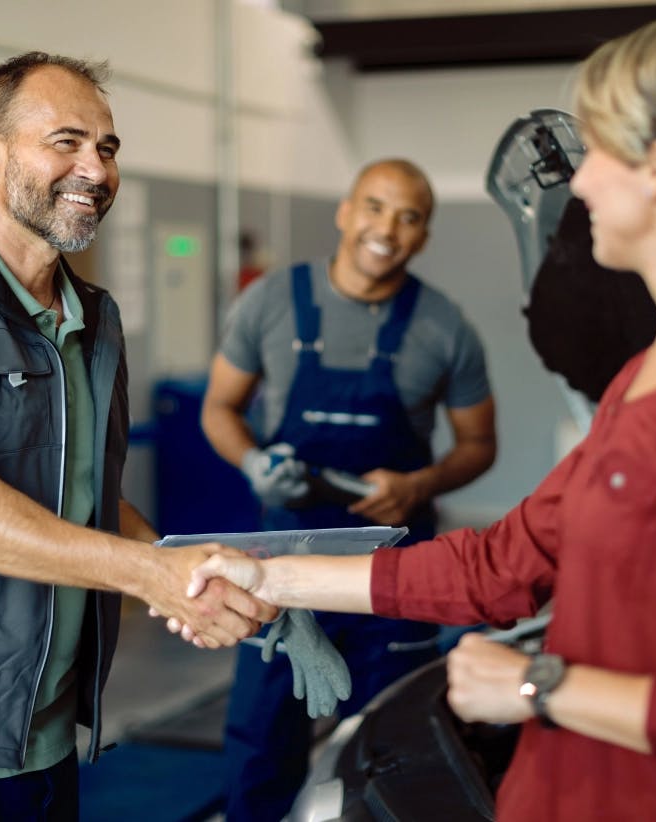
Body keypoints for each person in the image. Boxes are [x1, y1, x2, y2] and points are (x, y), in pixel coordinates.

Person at [185, 13, 656, 820]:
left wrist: (539, 684)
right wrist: (266, 576)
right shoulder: (642, 383)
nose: (579, 186)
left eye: (599, 155)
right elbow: (499, 567)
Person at [0, 52, 273, 821]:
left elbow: (83, 494)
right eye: (67, 141)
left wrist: (214, 583)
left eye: (107, 147)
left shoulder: (95, 315)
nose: (96, 169)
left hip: (46, 738)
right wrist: (142, 576)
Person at [200, 158, 497, 820]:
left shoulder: (445, 328)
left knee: (393, 751)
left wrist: (420, 482)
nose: (386, 228)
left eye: (409, 216)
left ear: (423, 236)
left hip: (392, 579)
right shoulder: (270, 302)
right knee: (259, 749)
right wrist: (252, 461)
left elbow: (480, 445)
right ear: (344, 210)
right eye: (374, 206)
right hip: (276, 575)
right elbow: (219, 409)